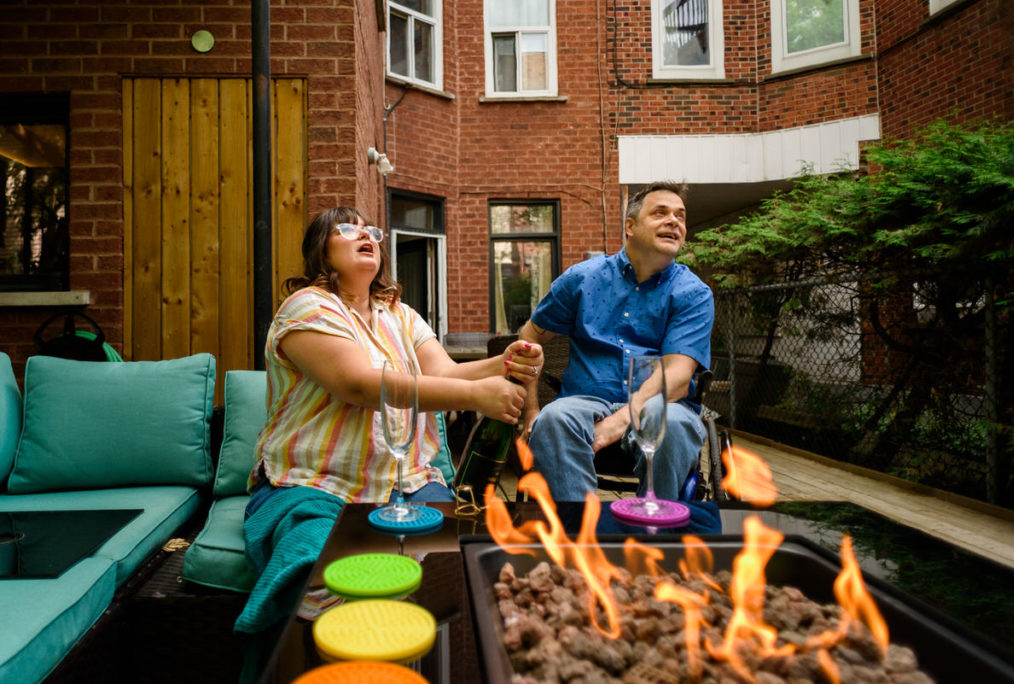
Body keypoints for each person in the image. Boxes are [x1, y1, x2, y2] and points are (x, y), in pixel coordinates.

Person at [236, 206, 543, 636]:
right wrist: (477, 396)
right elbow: (360, 386)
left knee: (459, 562)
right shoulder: (306, 307)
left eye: (372, 231)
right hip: (317, 483)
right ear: (320, 248)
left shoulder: (398, 313)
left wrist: (504, 362)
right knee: (317, 563)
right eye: (348, 229)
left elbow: (447, 375)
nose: (367, 236)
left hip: (408, 480)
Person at [519, 181, 713, 501]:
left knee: (675, 425)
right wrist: (531, 410)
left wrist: (619, 421)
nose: (674, 221)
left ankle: (656, 533)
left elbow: (677, 378)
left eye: (680, 216)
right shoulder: (582, 279)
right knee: (552, 419)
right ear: (630, 226)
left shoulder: (692, 293)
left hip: (661, 407)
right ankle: (579, 536)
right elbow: (529, 338)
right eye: (660, 213)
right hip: (584, 402)